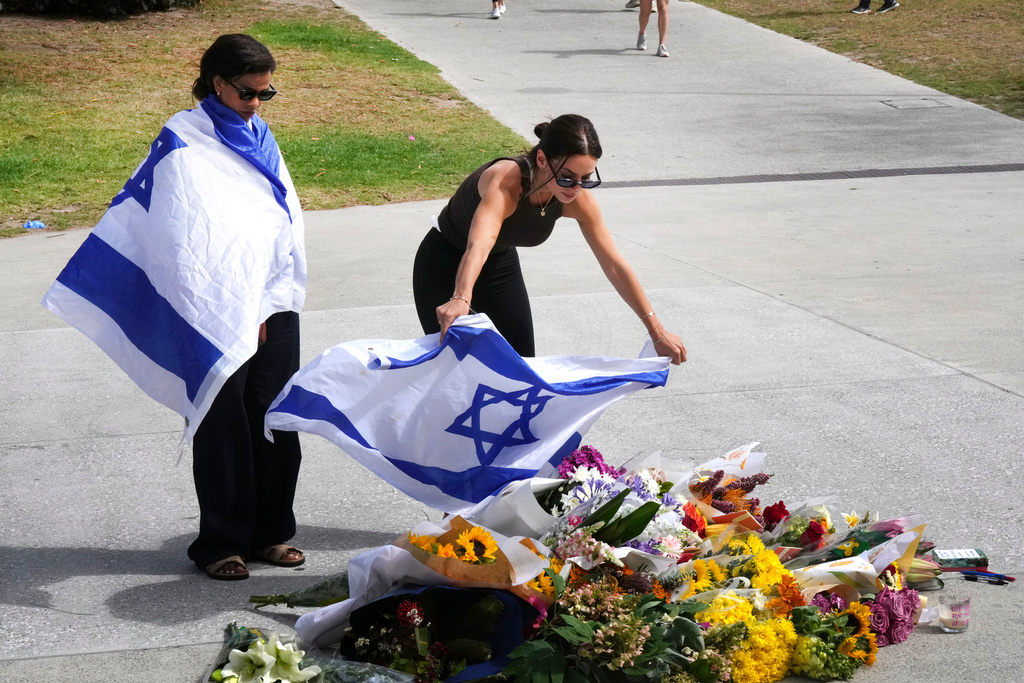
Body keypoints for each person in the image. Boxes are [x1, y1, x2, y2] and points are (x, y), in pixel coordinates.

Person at [412, 114, 687, 365]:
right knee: (457, 368)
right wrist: (460, 297)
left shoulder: (579, 200)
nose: (577, 188)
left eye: (586, 179)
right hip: (444, 262)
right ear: (542, 160)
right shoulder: (508, 181)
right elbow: (479, 244)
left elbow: (614, 265)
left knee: (521, 369)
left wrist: (657, 331)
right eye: (567, 178)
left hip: (499, 265)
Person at [183, 35, 307, 580]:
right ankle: (222, 543)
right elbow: (193, 231)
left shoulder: (260, 133)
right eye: (248, 92)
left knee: (276, 412)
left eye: (267, 92)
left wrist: (270, 296)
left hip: (274, 296)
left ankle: (271, 532)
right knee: (224, 418)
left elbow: (276, 217)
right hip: (219, 299)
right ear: (218, 84)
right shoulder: (186, 139)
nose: (258, 102)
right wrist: (240, 302)